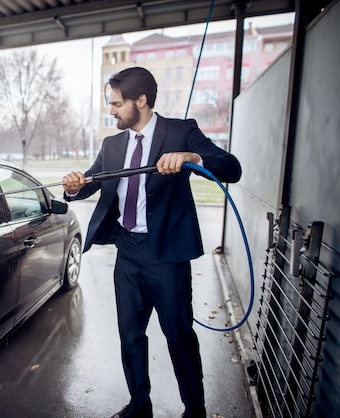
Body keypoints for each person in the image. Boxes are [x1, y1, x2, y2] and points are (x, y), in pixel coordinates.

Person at [62, 67, 241, 418]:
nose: (110, 111)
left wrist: (191, 158)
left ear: (140, 100)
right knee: (130, 336)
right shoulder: (112, 144)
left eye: (116, 104)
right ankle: (140, 406)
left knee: (178, 336)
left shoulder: (181, 131)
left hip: (167, 255)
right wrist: (74, 186)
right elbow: (93, 180)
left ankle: (195, 410)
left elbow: (230, 167)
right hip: (128, 252)